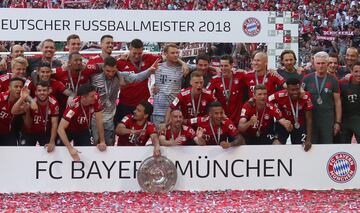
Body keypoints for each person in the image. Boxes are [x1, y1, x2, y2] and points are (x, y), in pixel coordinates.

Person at [90, 56, 159, 146]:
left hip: (109, 118)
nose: (110, 74)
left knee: (109, 145)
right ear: (103, 68)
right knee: (95, 145)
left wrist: (149, 70)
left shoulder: (120, 76)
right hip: (94, 117)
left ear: (116, 68)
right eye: (107, 71)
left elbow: (136, 77)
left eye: (113, 71)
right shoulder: (94, 78)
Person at [115, 38, 161, 123]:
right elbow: (108, 68)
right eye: (134, 53)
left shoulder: (148, 58)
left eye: (139, 53)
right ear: (129, 49)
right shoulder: (121, 62)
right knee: (120, 130)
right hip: (125, 104)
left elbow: (167, 57)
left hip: (142, 104)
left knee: (143, 132)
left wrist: (182, 63)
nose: (137, 56)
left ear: (143, 50)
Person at [57, 84, 107, 161]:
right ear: (83, 97)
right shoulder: (73, 107)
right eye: (92, 96)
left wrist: (102, 141)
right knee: (59, 150)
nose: (95, 97)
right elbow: (60, 129)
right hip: (69, 130)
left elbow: (99, 120)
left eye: (95, 94)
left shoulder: (96, 98)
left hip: (83, 130)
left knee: (89, 151)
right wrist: (70, 149)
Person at [303, 51, 342, 144]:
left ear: (327, 64)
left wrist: (337, 122)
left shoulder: (333, 80)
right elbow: (301, 98)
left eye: (323, 63)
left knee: (327, 146)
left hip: (327, 120)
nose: (321, 66)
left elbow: (337, 102)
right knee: (312, 146)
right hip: (311, 119)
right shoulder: (307, 79)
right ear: (314, 64)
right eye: (318, 63)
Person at [12, 81, 59, 152]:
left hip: (45, 133)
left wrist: (52, 141)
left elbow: (54, 123)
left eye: (44, 90)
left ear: (48, 91)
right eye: (39, 91)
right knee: (22, 152)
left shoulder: (54, 103)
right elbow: (14, 112)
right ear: (35, 92)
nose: (42, 93)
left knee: (50, 151)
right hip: (29, 133)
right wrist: (26, 109)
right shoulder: (30, 102)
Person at [268, 78, 313, 151]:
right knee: (276, 144)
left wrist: (308, 139)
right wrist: (279, 118)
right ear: (287, 89)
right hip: (283, 124)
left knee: (301, 148)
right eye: (292, 90)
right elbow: (266, 101)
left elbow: (309, 119)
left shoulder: (306, 96)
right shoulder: (280, 95)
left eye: (297, 89)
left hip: (299, 125)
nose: (295, 92)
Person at [207, 54, 246, 126]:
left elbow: (254, 75)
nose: (223, 68)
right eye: (221, 66)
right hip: (222, 118)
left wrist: (270, 69)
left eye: (226, 66)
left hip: (238, 119)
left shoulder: (240, 75)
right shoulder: (215, 79)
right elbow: (206, 94)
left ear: (231, 65)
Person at [152, 43, 184, 126]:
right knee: (159, 136)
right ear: (165, 54)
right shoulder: (157, 67)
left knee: (173, 137)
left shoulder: (182, 68)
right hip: (158, 111)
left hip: (174, 112)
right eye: (173, 53)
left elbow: (199, 67)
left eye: (177, 53)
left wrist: (214, 68)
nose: (176, 55)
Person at [0, 77, 25, 146]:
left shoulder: (23, 102)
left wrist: (23, 98)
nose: (19, 89)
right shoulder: (1, 97)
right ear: (9, 88)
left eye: (21, 87)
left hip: (8, 133)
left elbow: (13, 111)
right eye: (16, 86)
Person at [339, 61, 360, 143]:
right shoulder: (343, 85)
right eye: (356, 71)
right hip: (345, 121)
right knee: (343, 147)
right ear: (351, 72)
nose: (358, 74)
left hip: (358, 120)